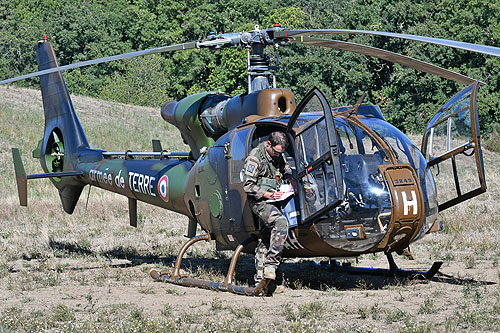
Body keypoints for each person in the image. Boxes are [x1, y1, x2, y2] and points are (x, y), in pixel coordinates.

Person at [242, 131, 293, 284]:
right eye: (276, 152)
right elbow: (248, 186)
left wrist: (291, 180)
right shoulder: (255, 158)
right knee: (281, 223)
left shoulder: (278, 154)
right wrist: (267, 195)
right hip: (259, 202)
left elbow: (286, 168)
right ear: (268, 144)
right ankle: (271, 264)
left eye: (281, 153)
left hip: (275, 199)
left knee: (265, 239)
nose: (278, 156)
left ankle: (261, 281)